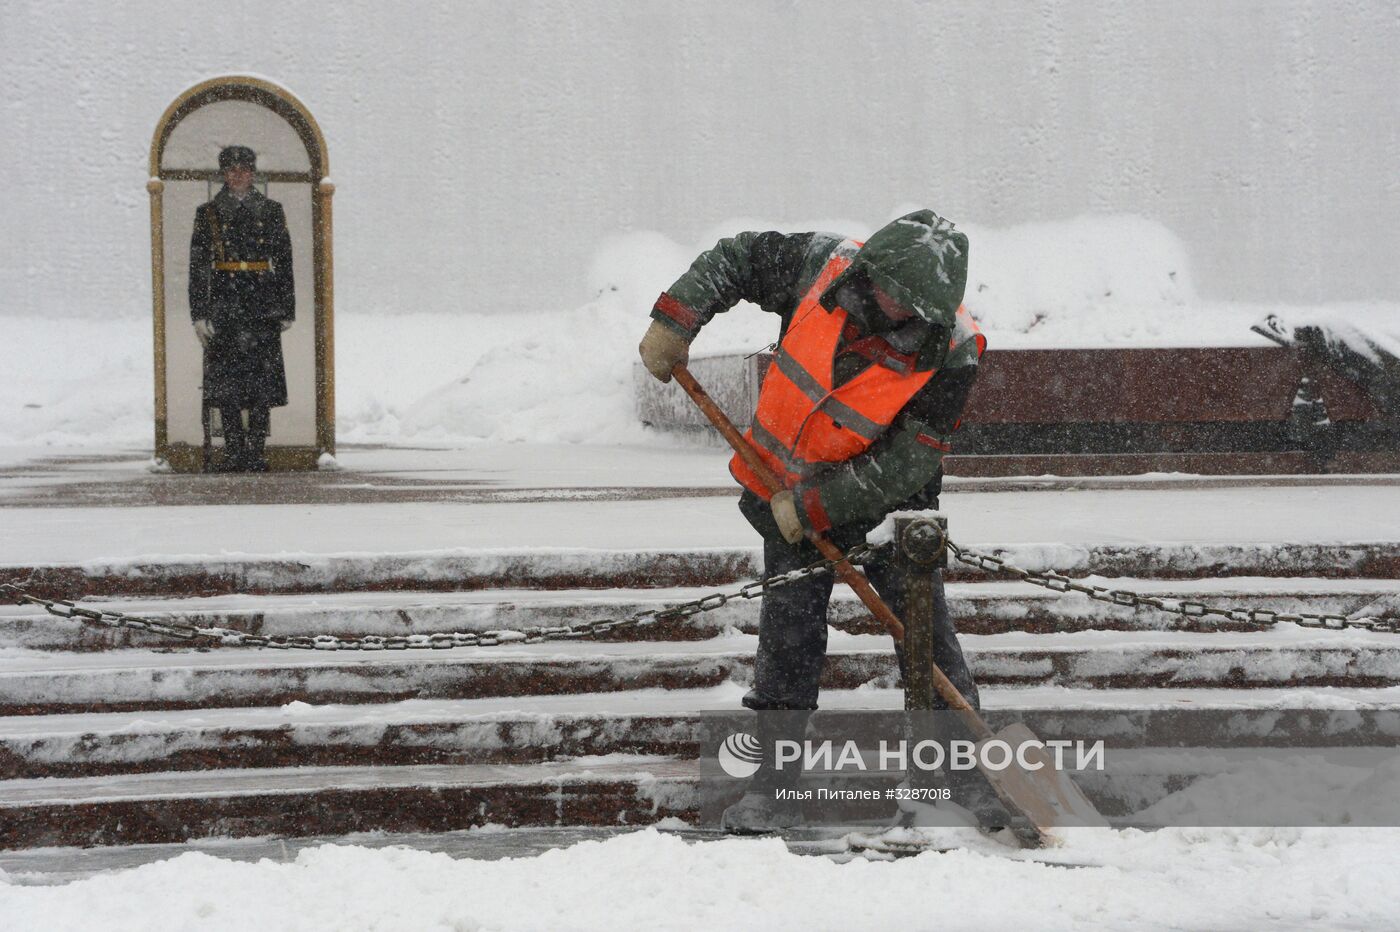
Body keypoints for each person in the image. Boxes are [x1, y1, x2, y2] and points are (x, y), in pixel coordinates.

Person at [638, 210, 987, 832]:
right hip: (784, 491)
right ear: (871, 273)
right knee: (788, 645)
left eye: (919, 311)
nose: (905, 317)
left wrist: (816, 507)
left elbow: (910, 458)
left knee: (925, 640)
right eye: (895, 300)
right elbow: (737, 257)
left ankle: (963, 781)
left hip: (891, 511)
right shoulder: (820, 269)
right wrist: (675, 320)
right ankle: (774, 786)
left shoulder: (952, 348)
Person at [189, 145, 295, 472]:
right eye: (232, 169)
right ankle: (234, 451)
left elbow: (285, 261)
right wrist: (200, 313)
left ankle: (256, 451)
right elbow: (198, 267)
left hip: (262, 301)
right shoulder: (208, 213)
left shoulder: (272, 210)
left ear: (252, 173)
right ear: (224, 173)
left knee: (261, 384)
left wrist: (287, 307)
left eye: (244, 169)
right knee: (228, 384)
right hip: (225, 301)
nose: (238, 175)